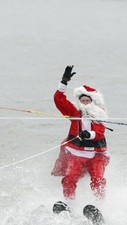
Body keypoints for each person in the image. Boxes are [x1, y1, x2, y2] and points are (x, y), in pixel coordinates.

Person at [51, 65, 110, 207]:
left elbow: (99, 133)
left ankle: (99, 205)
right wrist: (64, 81)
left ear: (93, 102)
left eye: (87, 101)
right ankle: (69, 204)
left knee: (97, 179)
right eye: (82, 101)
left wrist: (88, 134)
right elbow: (59, 100)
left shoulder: (99, 114)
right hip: (76, 153)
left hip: (96, 155)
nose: (84, 104)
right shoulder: (74, 113)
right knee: (70, 178)